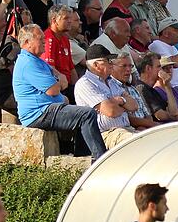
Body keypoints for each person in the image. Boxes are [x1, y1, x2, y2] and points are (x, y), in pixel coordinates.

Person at [12, 24, 107, 161]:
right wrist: (59, 82)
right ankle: (99, 159)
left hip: (47, 109)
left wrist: (59, 85)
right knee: (86, 114)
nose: (44, 41)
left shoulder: (36, 60)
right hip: (38, 113)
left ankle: (84, 157)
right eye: (40, 39)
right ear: (27, 42)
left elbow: (60, 79)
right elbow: (54, 89)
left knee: (84, 113)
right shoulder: (28, 63)